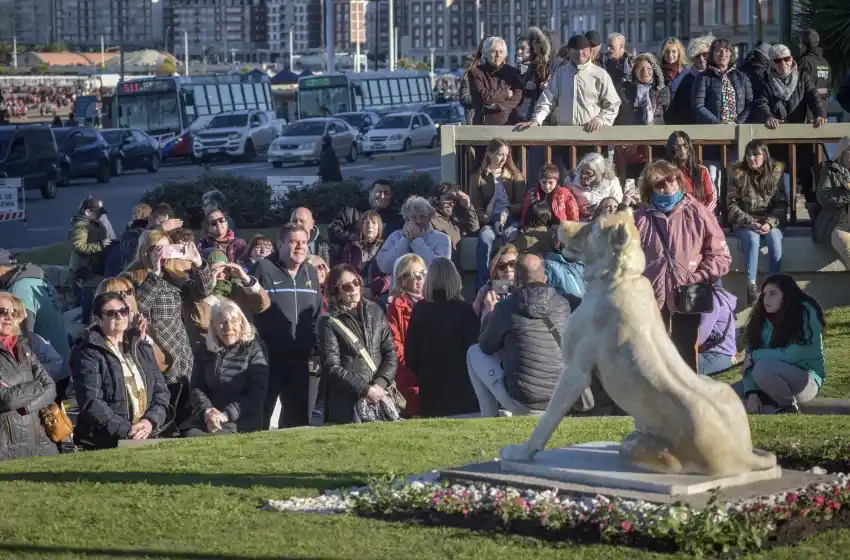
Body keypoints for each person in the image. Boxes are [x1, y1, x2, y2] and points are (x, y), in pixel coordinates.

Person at [634, 159, 731, 373]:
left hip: (689, 296)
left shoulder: (699, 212)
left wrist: (698, 276)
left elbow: (721, 256)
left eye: (672, 181)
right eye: (660, 184)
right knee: (651, 357)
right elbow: (625, 259)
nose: (668, 187)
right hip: (650, 298)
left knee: (685, 353)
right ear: (650, 187)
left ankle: (687, 404)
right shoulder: (639, 218)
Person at [124, 228, 215, 430]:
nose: (163, 255)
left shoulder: (174, 276)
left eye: (167, 250)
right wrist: (154, 274)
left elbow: (205, 291)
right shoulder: (132, 277)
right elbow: (139, 307)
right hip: (157, 356)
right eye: (158, 250)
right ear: (145, 251)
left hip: (182, 355)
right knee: (163, 413)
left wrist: (198, 263)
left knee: (185, 413)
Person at [467, 253, 570, 416]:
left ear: (516, 282)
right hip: (562, 399)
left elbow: (485, 347)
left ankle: (488, 417)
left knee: (473, 352)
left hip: (525, 403)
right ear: (545, 279)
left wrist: (490, 314)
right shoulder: (563, 304)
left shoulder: (506, 307)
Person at [71, 291, 171, 450]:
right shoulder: (88, 352)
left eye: (123, 311)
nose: (119, 316)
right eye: (111, 313)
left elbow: (161, 391)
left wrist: (149, 422)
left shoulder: (140, 345)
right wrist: (127, 430)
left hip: (147, 433)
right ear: (98, 320)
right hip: (107, 440)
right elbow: (91, 401)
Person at [251, 223, 322, 429]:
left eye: (303, 242)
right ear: (279, 245)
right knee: (260, 420)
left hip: (300, 359)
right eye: (293, 242)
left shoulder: (310, 272)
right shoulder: (263, 269)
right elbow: (247, 309)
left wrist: (316, 349)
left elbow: (316, 315)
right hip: (266, 359)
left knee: (298, 422)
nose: (299, 247)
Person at [516, 34, 621, 169]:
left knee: (590, 181)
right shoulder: (561, 74)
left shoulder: (600, 74)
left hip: (591, 138)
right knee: (566, 181)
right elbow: (547, 99)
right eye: (576, 49)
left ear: (589, 51)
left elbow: (613, 104)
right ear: (570, 51)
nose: (581, 53)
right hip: (565, 139)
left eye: (584, 49)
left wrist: (600, 120)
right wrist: (537, 119)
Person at [318, 264, 398, 424]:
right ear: (336, 292)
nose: (354, 288)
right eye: (347, 286)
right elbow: (331, 367)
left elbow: (390, 352)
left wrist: (380, 384)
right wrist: (365, 389)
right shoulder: (329, 322)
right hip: (347, 404)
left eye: (356, 282)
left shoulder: (375, 310)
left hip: (380, 396)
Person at [739, 274, 826, 414]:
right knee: (728, 393)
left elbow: (796, 354)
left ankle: (788, 406)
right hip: (767, 379)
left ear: (787, 295)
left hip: (805, 380)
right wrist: (752, 392)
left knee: (763, 368)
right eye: (764, 294)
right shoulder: (760, 317)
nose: (766, 299)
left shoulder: (805, 311)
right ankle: (768, 399)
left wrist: (755, 356)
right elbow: (750, 360)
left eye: (773, 294)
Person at [181, 300, 269, 436]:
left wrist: (225, 415)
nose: (228, 328)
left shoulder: (255, 348)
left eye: (233, 321)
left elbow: (256, 394)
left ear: (241, 323)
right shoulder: (206, 349)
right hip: (210, 416)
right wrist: (208, 411)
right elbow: (197, 387)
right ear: (214, 326)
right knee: (190, 434)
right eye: (222, 322)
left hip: (241, 419)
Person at [405, 258, 479, 418]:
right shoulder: (465, 311)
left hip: (431, 390)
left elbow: (411, 355)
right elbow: (475, 352)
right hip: (463, 391)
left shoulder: (419, 311)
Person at [0, 251, 70, 399]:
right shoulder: (37, 279)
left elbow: (24, 337)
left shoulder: (19, 289)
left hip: (45, 372)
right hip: (61, 362)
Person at [727, 140, 788, 306]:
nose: (751, 158)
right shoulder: (738, 174)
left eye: (756, 155)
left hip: (769, 221)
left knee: (774, 238)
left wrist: (770, 223)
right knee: (753, 240)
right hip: (746, 222)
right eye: (748, 155)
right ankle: (751, 286)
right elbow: (731, 205)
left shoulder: (776, 173)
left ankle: (775, 285)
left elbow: (782, 204)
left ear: (764, 155)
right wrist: (751, 223)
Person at [0, 292, 59, 460]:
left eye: (13, 312)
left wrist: (26, 407)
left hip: (39, 441)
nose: (8, 317)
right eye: (2, 311)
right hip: (6, 448)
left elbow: (51, 387)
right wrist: (37, 385)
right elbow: (6, 399)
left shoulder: (22, 348)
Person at [469, 138, 527, 289]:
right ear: (489, 154)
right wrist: (489, 220)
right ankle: (484, 285)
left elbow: (522, 204)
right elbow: (475, 207)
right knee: (485, 237)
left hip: (511, 219)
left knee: (511, 236)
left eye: (506, 155)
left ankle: (512, 286)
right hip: (490, 221)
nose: (504, 158)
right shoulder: (478, 177)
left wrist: (509, 210)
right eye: (500, 154)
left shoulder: (515, 176)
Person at [615, 52, 671, 178]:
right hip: (631, 146)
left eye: (649, 68)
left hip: (656, 143)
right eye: (641, 68)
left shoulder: (662, 90)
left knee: (655, 179)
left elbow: (666, 114)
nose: (645, 71)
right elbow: (623, 116)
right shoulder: (623, 89)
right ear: (634, 71)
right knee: (632, 181)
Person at [385, 253, 427, 417]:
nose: (420, 279)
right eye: (415, 275)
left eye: (423, 274)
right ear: (402, 280)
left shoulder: (432, 303)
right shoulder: (396, 307)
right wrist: (414, 373)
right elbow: (396, 347)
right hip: (408, 375)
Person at [376, 196, 451, 275]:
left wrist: (416, 240)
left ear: (429, 217)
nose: (418, 221)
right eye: (414, 217)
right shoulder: (395, 236)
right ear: (407, 218)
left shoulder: (442, 239)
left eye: (422, 216)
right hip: (400, 286)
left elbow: (440, 270)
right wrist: (405, 239)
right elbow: (385, 267)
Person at [328, 180, 401, 256]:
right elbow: (333, 231)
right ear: (370, 192)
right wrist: (357, 238)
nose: (381, 196)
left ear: (391, 197)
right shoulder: (351, 211)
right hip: (352, 258)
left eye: (386, 193)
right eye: (378, 192)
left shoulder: (395, 218)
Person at [69, 197, 112, 323]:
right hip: (83, 270)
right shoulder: (81, 227)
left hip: (91, 268)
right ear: (87, 212)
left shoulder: (92, 224)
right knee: (81, 302)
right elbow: (78, 246)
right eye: (97, 213)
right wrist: (100, 245)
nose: (99, 216)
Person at [692, 38, 753, 125]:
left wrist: (738, 123)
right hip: (714, 131)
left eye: (727, 51)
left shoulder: (742, 77)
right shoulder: (703, 77)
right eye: (719, 51)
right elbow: (699, 106)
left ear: (731, 54)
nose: (723, 54)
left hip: (739, 129)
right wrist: (717, 123)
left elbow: (750, 104)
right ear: (712, 54)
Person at [467, 36, 523, 126]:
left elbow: (518, 97)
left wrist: (496, 106)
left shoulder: (513, 72)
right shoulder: (475, 72)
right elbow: (483, 96)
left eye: (501, 52)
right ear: (485, 52)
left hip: (509, 125)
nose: (498, 55)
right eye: (493, 51)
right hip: (483, 126)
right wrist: (506, 93)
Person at [813, 137, 850, 269]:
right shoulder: (831, 171)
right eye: (849, 152)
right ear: (842, 153)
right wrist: (847, 195)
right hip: (839, 224)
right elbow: (824, 198)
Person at [340, 211, 389, 299]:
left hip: (380, 294)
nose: (370, 225)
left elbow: (391, 276)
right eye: (366, 222)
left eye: (374, 223)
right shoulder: (351, 247)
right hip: (356, 292)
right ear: (361, 227)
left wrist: (374, 290)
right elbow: (345, 272)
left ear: (379, 228)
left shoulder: (386, 247)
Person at [664, 130, 717, 212]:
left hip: (702, 217)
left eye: (685, 145)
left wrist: (703, 214)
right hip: (678, 218)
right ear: (672, 150)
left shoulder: (702, 171)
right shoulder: (668, 173)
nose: (682, 149)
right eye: (678, 147)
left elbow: (712, 198)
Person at [667, 35, 714, 125]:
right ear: (692, 59)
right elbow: (677, 110)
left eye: (705, 55)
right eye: (697, 56)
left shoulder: (717, 77)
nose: (701, 59)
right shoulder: (687, 80)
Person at [565, 152, 629, 219]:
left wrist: (600, 210)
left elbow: (617, 203)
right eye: (582, 171)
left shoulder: (612, 181)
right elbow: (565, 202)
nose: (583, 175)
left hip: (605, 220)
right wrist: (578, 208)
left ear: (599, 172)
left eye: (588, 173)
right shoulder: (571, 180)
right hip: (581, 220)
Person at [698, 286, 738, 377]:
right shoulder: (720, 297)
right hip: (725, 356)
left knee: (679, 364)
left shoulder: (712, 300)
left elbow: (700, 337)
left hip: (716, 356)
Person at [430, 182, 480, 254]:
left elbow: (474, 232)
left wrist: (468, 208)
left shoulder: (456, 220)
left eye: (454, 200)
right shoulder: (431, 219)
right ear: (437, 199)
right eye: (448, 198)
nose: (452, 203)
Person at [798, 29, 831, 105]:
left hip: (808, 110)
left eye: (800, 43)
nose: (799, 46)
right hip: (822, 109)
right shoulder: (825, 63)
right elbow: (827, 89)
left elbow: (800, 88)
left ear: (806, 44)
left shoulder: (805, 61)